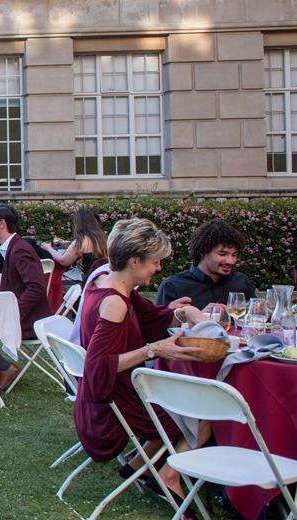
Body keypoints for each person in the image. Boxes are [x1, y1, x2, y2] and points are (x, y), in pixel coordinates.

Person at [77, 218, 208, 497]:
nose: (158, 268)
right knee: (206, 413)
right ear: (134, 261)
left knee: (190, 399)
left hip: (118, 394)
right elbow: (98, 368)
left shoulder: (107, 281)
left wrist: (185, 313)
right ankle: (169, 476)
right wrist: (155, 350)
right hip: (118, 402)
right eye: (155, 261)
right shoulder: (114, 302)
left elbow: (151, 318)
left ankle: (140, 465)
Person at [0, 204, 54, 389]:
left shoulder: (19, 249)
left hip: (30, 321)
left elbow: (36, 288)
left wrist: (12, 314)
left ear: (2, 224)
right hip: (22, 316)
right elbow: (15, 288)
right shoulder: (11, 247)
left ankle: (3, 368)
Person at [155, 219, 258, 310]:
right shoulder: (173, 286)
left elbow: (257, 321)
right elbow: (160, 327)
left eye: (234, 255)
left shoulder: (242, 282)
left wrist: (261, 310)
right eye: (222, 254)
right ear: (203, 252)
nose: (230, 261)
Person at [51, 207, 108, 284]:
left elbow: (63, 260)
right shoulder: (102, 238)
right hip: (103, 279)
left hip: (89, 281)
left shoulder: (80, 241)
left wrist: (48, 249)